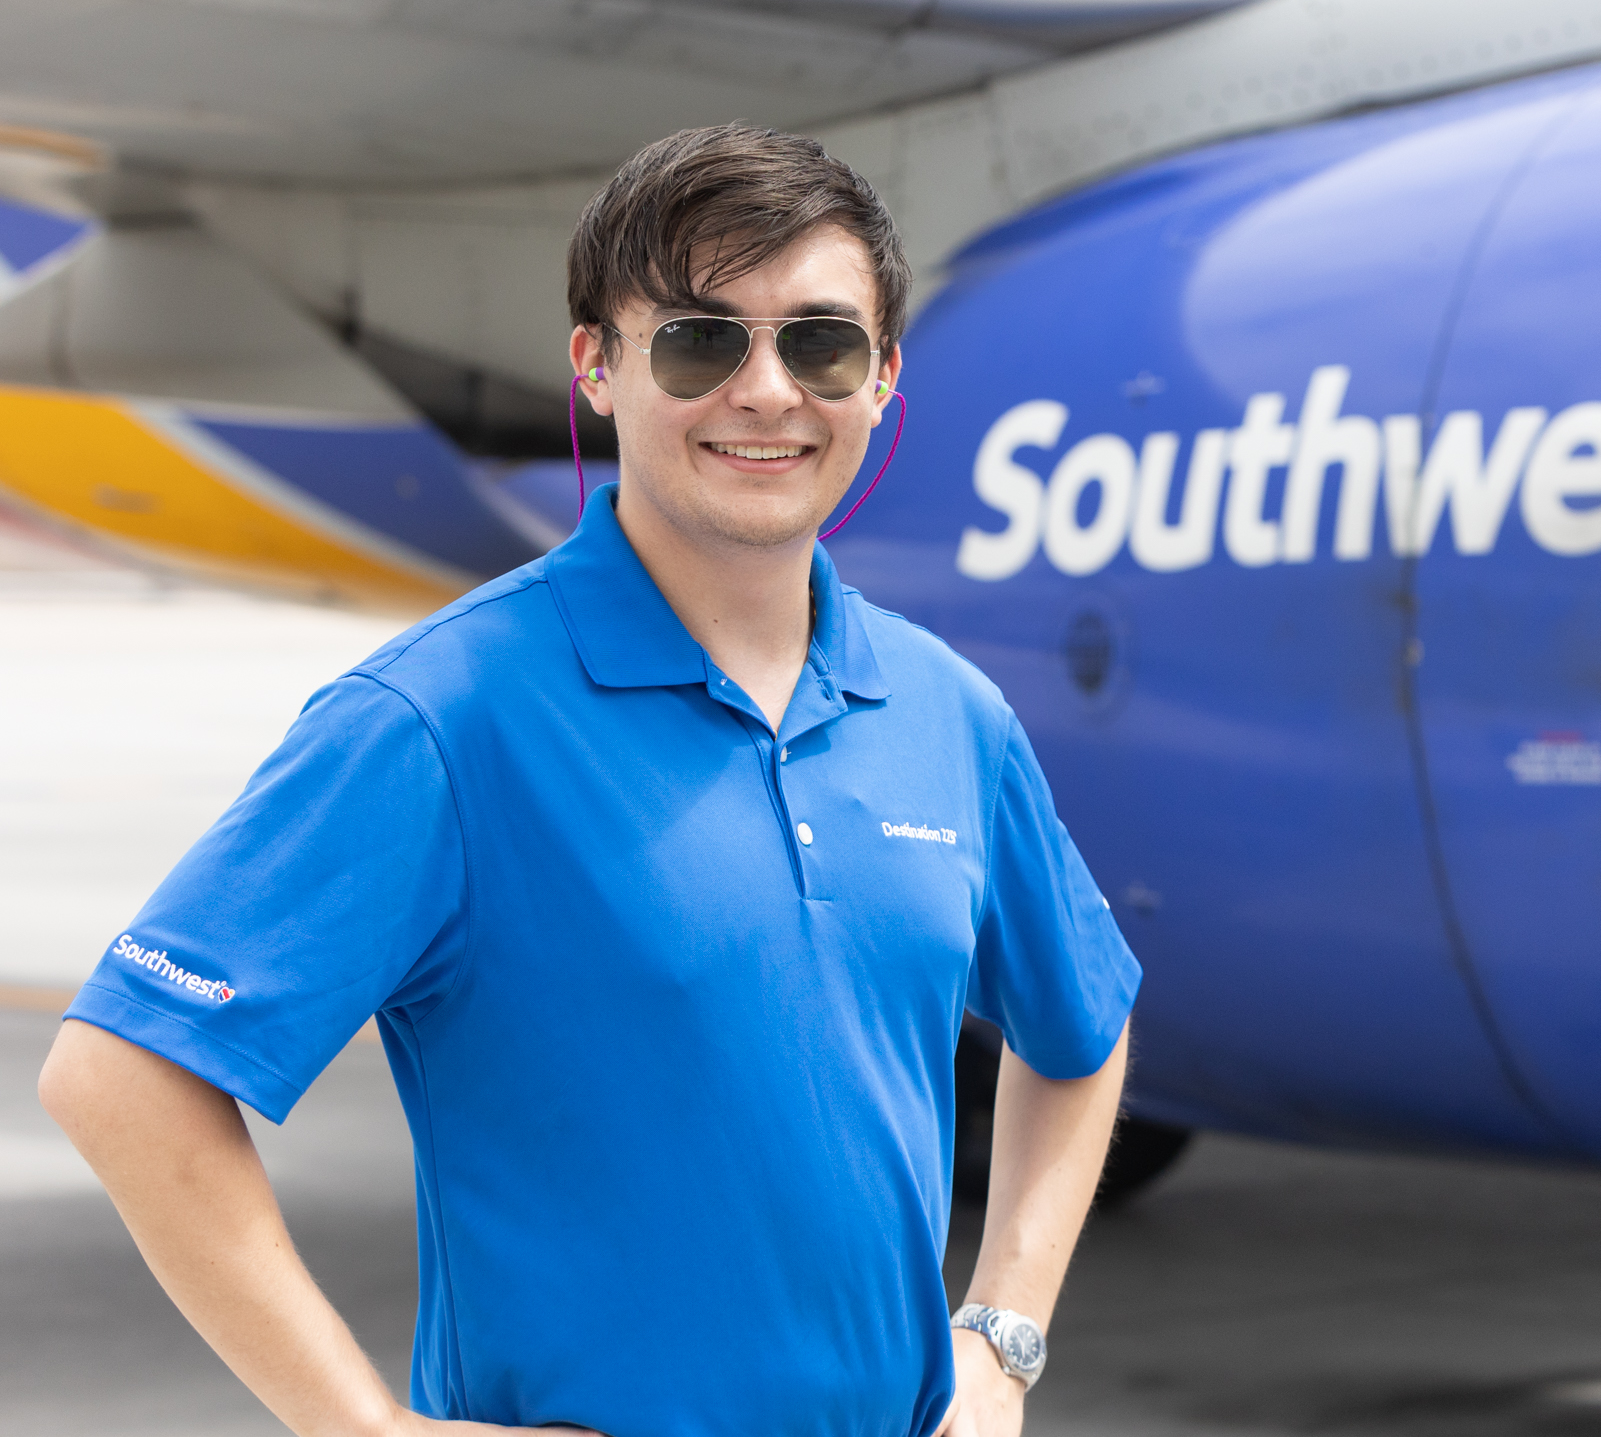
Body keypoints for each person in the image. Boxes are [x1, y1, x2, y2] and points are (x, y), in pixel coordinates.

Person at [37, 124, 1140, 1437]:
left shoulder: (945, 711)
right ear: (597, 368)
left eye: (821, 342)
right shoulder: (447, 717)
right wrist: (365, 1430)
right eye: (699, 339)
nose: (768, 391)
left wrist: (1003, 1335)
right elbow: (120, 1074)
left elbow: (1083, 1022)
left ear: (885, 376)